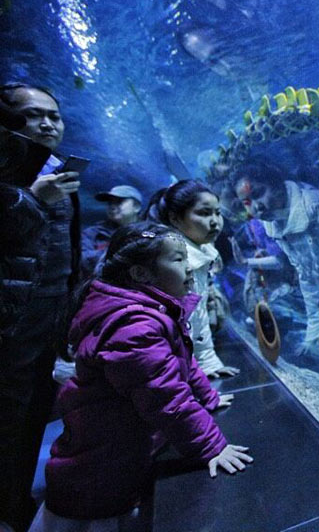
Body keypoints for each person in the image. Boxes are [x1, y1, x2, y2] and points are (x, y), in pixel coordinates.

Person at [30, 222, 252, 531]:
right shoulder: (134, 327)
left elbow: (182, 363)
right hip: (99, 466)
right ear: (140, 274)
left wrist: (208, 396)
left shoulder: (149, 310)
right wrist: (212, 445)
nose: (189, 268)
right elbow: (166, 397)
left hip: (119, 446)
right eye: (177, 260)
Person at [0, 83, 81, 532]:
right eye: (34, 115)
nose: (49, 123)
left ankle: (14, 504)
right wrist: (34, 197)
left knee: (34, 409)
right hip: (12, 317)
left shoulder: (55, 169)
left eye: (54, 115)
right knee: (8, 411)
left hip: (48, 312)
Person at [230, 164, 319, 352]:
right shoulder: (273, 224)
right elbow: (306, 275)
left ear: (277, 183)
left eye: (258, 193)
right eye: (247, 202)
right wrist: (315, 326)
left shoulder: (312, 207)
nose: (256, 206)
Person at [145, 180, 238, 378]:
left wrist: (208, 363)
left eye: (217, 212)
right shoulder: (173, 260)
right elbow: (180, 324)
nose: (215, 221)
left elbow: (197, 313)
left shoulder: (200, 251)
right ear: (175, 219)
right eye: (204, 213)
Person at [80, 184, 143, 275]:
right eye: (110, 203)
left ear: (136, 207)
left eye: (119, 201)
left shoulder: (151, 232)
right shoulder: (92, 233)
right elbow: (83, 260)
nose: (112, 206)